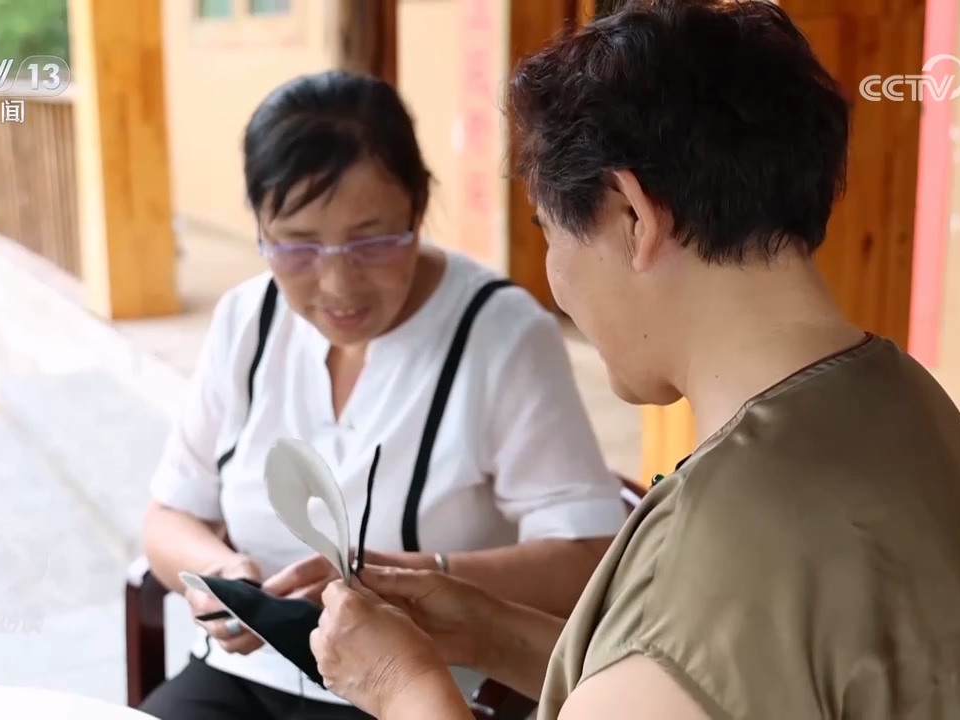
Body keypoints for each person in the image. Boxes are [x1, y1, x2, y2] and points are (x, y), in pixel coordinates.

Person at [307, 1, 960, 718]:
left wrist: (400, 685)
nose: (555, 278)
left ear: (632, 215)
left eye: (549, 231)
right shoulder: (900, 396)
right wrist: (490, 633)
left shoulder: (730, 537)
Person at [137, 70, 628, 720]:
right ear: (260, 227)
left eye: (372, 242)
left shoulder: (501, 334)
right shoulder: (245, 320)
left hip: (416, 691)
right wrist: (223, 579)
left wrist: (410, 577)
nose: (338, 284)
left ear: (419, 208)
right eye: (297, 246)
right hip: (247, 674)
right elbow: (169, 515)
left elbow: (587, 558)